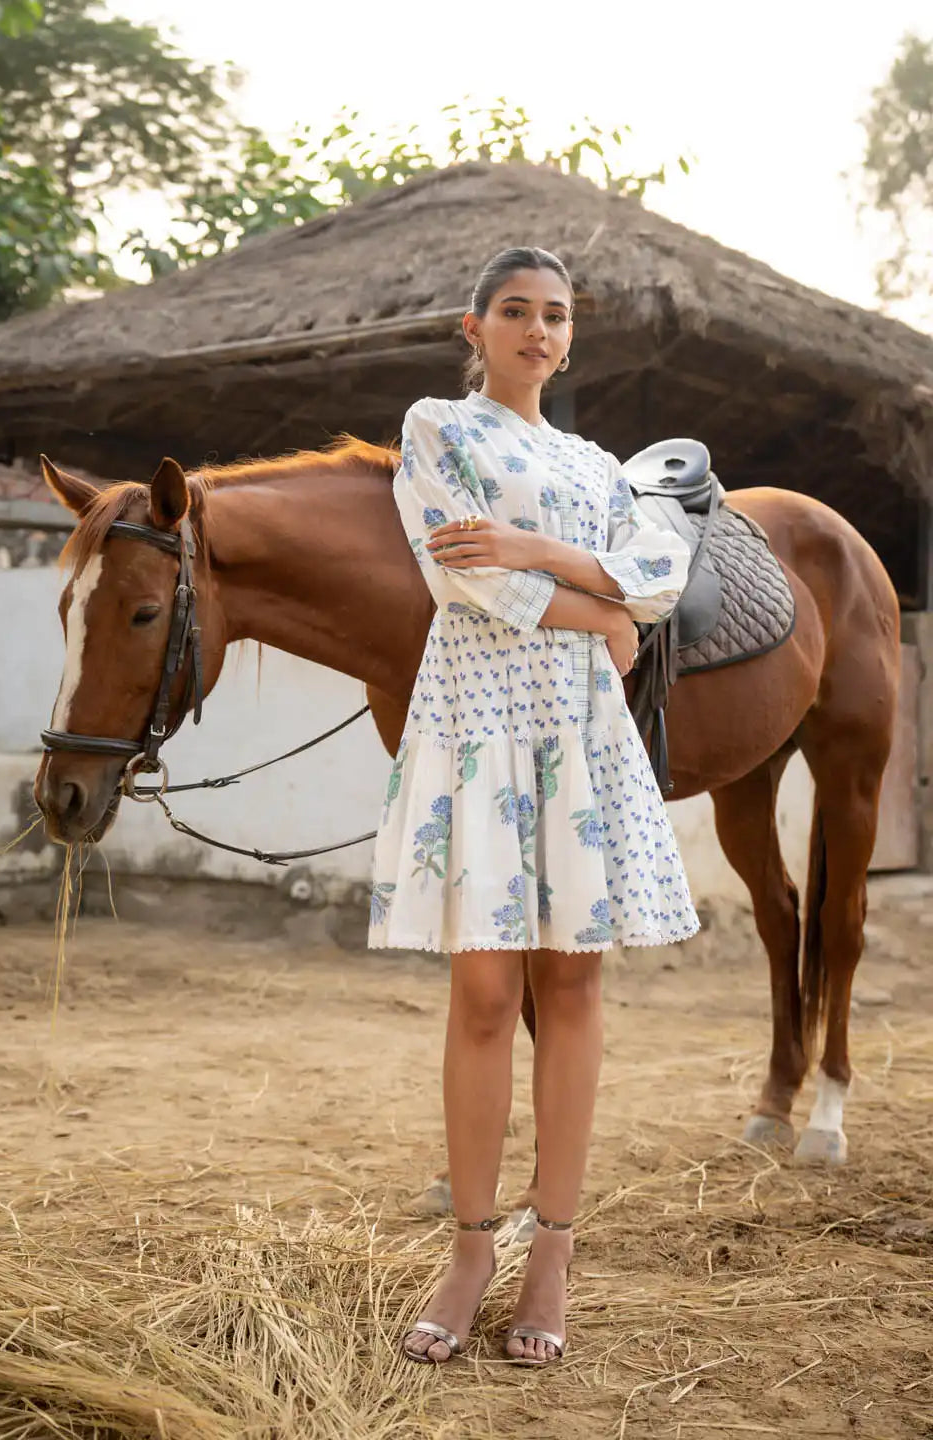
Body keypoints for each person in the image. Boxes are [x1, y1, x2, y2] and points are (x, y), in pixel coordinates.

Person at [369, 246, 699, 1367]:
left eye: (556, 315)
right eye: (517, 311)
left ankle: (552, 1249)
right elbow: (462, 574)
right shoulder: (435, 430)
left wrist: (540, 549)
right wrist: (595, 606)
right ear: (476, 325)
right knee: (480, 991)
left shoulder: (601, 463)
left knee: (573, 983)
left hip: (579, 732)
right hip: (479, 725)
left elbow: (655, 583)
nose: (539, 330)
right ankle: (470, 1250)